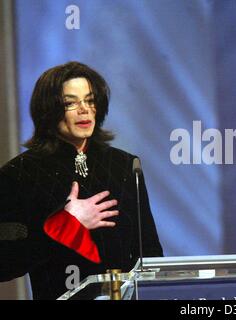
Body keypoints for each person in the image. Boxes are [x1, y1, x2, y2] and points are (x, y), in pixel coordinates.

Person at [0, 61, 163, 299]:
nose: (84, 109)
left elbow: (150, 254)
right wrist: (66, 226)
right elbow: (5, 264)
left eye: (90, 100)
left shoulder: (126, 166)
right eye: (70, 103)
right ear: (48, 110)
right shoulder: (18, 174)